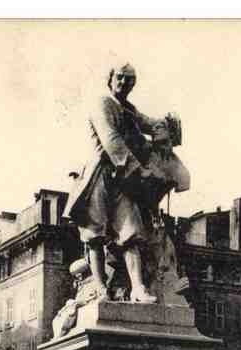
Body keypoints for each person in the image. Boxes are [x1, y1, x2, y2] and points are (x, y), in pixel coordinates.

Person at [64, 63, 189, 304]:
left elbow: (150, 123)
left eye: (129, 80)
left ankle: (138, 288)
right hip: (100, 174)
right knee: (95, 234)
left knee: (131, 232)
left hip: (123, 179)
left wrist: (164, 127)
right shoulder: (102, 104)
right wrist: (142, 173)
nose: (124, 83)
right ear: (110, 79)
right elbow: (113, 143)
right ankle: (100, 288)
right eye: (120, 78)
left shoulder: (128, 109)